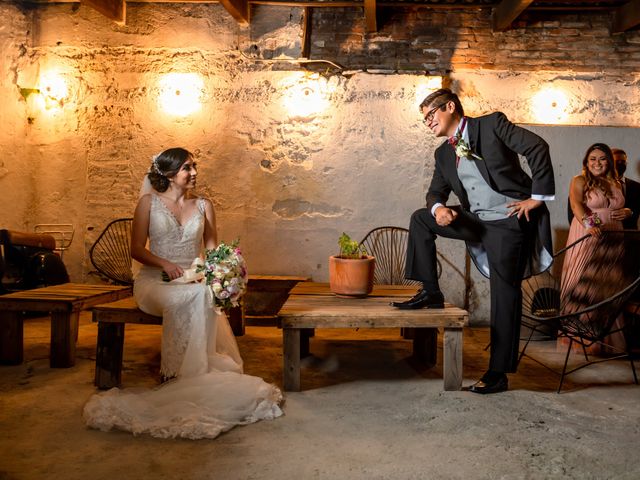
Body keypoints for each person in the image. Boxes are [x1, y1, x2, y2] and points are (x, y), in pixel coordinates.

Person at [83, 148, 283, 439]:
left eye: (195, 166)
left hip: (192, 279)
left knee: (202, 293)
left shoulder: (204, 205)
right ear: (168, 174)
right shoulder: (147, 204)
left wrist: (223, 272)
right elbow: (136, 249)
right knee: (197, 296)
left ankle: (195, 373)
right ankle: (179, 372)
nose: (194, 173)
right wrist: (165, 264)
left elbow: (213, 249)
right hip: (154, 283)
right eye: (187, 168)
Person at [392, 88, 555, 394]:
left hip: (508, 222)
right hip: (476, 221)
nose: (428, 122)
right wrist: (439, 209)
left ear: (450, 106)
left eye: (431, 114)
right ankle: (430, 291)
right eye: (424, 118)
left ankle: (498, 373)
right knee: (420, 217)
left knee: (505, 294)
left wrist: (536, 198)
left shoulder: (492, 124)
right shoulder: (443, 153)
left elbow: (537, 147)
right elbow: (434, 193)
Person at [560, 143, 627, 355]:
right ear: (586, 162)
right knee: (583, 282)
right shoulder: (579, 181)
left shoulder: (616, 182)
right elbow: (576, 205)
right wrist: (590, 225)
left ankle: (606, 340)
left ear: (609, 161)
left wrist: (627, 210)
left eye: (602, 159)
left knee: (607, 285)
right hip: (588, 234)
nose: (597, 163)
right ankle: (580, 340)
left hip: (614, 235)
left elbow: (617, 207)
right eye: (592, 159)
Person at [567, 147, 636, 228]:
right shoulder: (583, 181)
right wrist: (588, 226)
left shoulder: (635, 186)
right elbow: (574, 208)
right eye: (616, 162)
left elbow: (636, 210)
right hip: (592, 231)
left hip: (622, 233)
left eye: (623, 162)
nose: (619, 164)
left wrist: (630, 212)